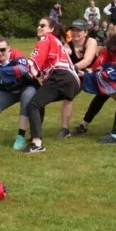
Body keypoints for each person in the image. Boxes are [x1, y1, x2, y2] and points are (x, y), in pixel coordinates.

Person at [22, 16, 82, 154]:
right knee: (39, 102)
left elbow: (36, 59)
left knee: (33, 105)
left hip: (59, 77)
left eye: (43, 25)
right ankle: (35, 135)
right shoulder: (57, 41)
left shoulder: (46, 38)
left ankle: (37, 143)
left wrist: (27, 72)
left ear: (51, 29)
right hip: (72, 81)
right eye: (38, 25)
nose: (39, 28)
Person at [57, 20, 99, 139]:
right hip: (78, 76)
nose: (75, 33)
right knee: (68, 96)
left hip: (95, 74)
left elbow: (88, 60)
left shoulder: (91, 41)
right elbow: (62, 56)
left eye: (78, 30)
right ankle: (65, 129)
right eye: (73, 30)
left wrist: (72, 68)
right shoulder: (68, 45)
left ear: (85, 32)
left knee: (112, 95)